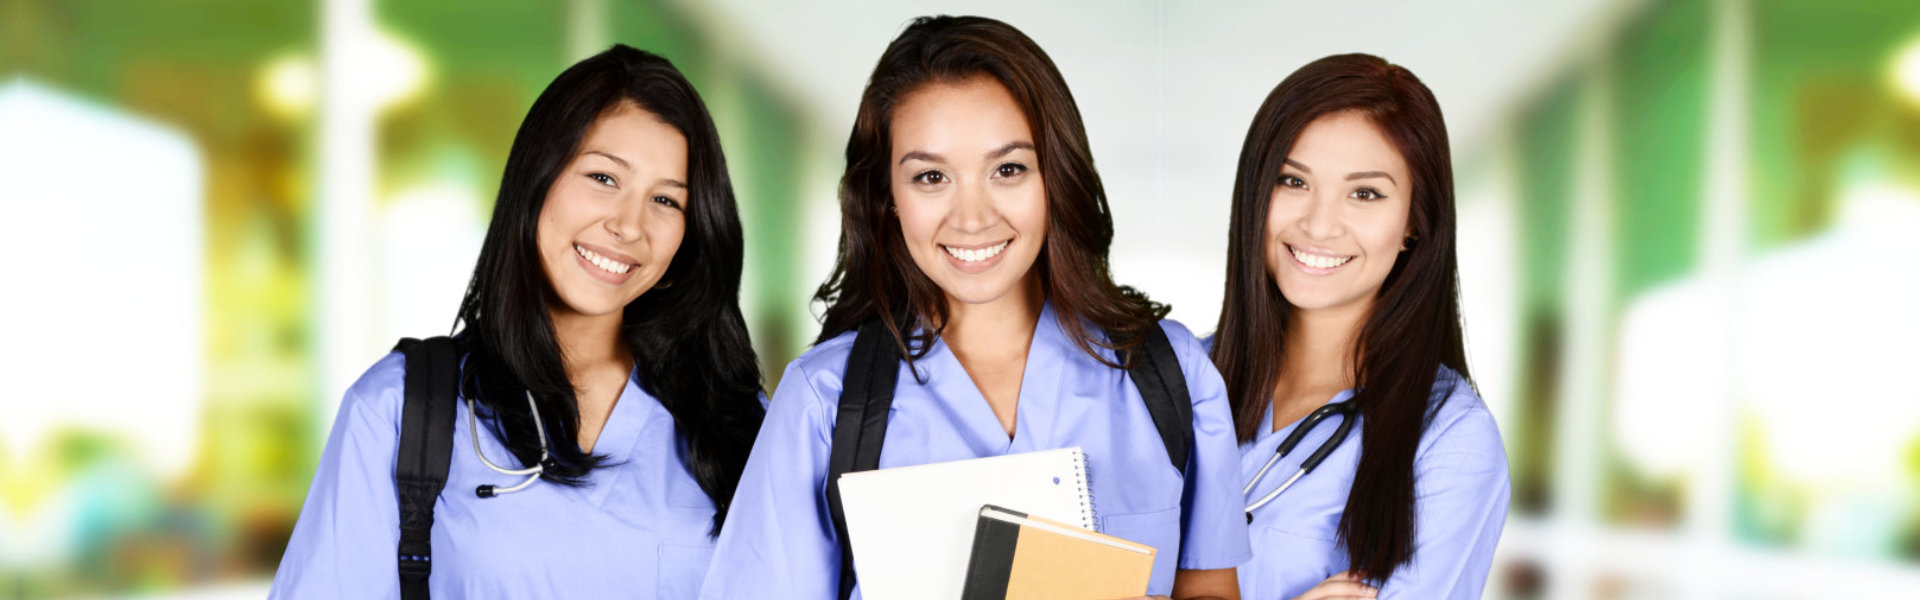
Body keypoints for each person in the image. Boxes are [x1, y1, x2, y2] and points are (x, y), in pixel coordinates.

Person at [700, 15, 1248, 600]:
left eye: (1007, 169)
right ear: (887, 197)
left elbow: (1210, 590)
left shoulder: (1172, 373)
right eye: (931, 176)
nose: (972, 218)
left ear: (1055, 177)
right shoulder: (825, 402)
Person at [270, 44, 765, 598]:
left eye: (667, 201)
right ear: (537, 177)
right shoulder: (400, 411)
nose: (629, 225)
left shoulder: (739, 424)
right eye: (603, 178)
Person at [1208, 53, 1509, 600]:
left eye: (1365, 193)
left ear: (1415, 223)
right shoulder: (1176, 382)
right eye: (1292, 180)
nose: (1319, 224)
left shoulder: (1451, 441)